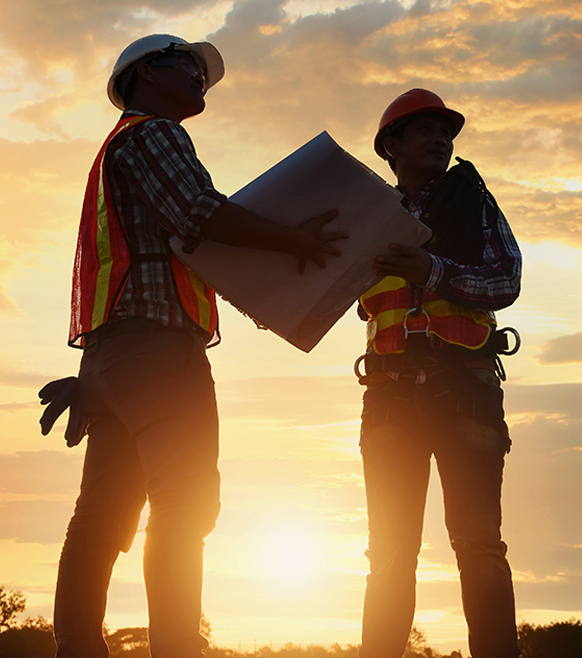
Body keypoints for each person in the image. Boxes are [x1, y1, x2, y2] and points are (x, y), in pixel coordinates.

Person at [51, 34, 345, 658]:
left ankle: (77, 649)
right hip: (158, 356)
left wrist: (98, 371)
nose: (200, 79)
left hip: (114, 359)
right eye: (188, 67)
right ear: (149, 74)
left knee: (100, 520)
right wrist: (294, 241)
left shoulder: (114, 152)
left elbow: (166, 254)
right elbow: (200, 213)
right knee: (184, 507)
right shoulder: (153, 134)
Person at [355, 89, 522, 658]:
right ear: (391, 146)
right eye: (423, 129)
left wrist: (434, 269)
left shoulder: (472, 202)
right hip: (388, 397)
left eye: (444, 130)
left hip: (465, 392)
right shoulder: (365, 216)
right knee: (391, 555)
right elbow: (320, 287)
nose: (440, 138)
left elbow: (507, 279)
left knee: (479, 547)